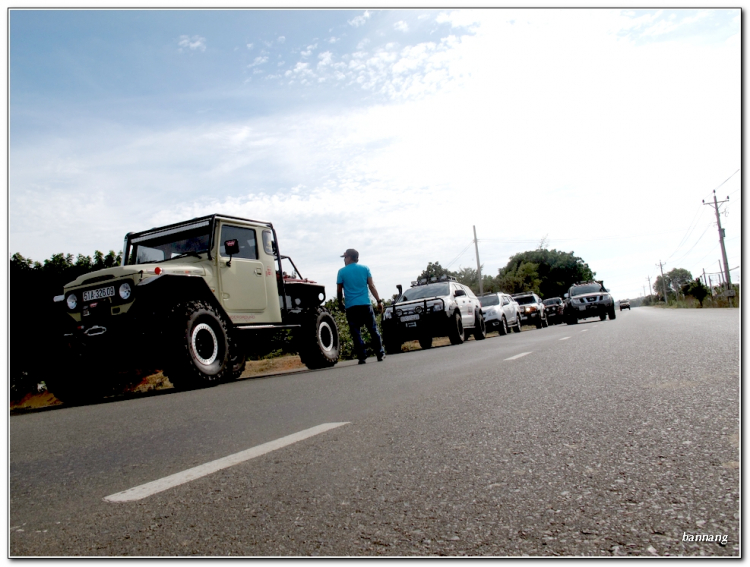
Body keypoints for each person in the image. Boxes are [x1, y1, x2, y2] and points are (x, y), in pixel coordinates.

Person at [337, 248, 385, 364]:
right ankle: (380, 354)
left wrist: (340, 303)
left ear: (350, 257)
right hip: (365, 304)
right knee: (373, 330)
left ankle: (362, 357)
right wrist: (378, 301)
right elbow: (371, 286)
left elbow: (339, 291)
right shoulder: (365, 269)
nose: (344, 260)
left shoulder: (341, 272)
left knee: (356, 332)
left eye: (345, 257)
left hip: (351, 307)